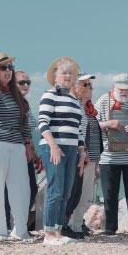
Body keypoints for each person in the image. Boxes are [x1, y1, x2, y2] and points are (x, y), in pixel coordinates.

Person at [0, 53, 32, 242]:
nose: (8, 71)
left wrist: (27, 143)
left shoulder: (17, 95)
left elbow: (24, 121)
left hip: (16, 144)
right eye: (3, 68)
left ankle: (20, 230)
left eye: (10, 67)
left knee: (22, 188)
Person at [37, 57, 86, 245]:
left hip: (72, 149)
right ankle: (48, 233)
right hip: (53, 147)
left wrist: (81, 153)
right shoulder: (49, 95)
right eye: (64, 73)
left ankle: (58, 230)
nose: (68, 76)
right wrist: (53, 147)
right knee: (55, 190)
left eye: (70, 73)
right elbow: (43, 123)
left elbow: (78, 129)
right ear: (55, 76)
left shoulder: (74, 99)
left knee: (66, 192)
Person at [95, 73, 128, 235]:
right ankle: (110, 227)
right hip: (109, 156)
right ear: (113, 87)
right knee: (109, 192)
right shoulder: (104, 100)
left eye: (127, 89)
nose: (125, 92)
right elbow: (93, 124)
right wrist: (109, 123)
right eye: (121, 89)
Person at [63, 72, 104, 239]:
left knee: (86, 195)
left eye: (90, 85)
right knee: (77, 193)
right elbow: (78, 133)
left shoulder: (89, 109)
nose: (89, 88)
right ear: (75, 86)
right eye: (85, 84)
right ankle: (71, 224)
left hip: (91, 158)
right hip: (82, 157)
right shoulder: (75, 106)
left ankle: (78, 223)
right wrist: (83, 153)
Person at [4, 71, 42, 232]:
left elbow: (26, 130)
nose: (26, 85)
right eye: (22, 82)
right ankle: (6, 225)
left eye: (28, 82)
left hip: (24, 150)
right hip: (12, 149)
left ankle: (20, 225)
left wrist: (33, 152)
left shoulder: (24, 103)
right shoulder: (10, 102)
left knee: (31, 188)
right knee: (7, 189)